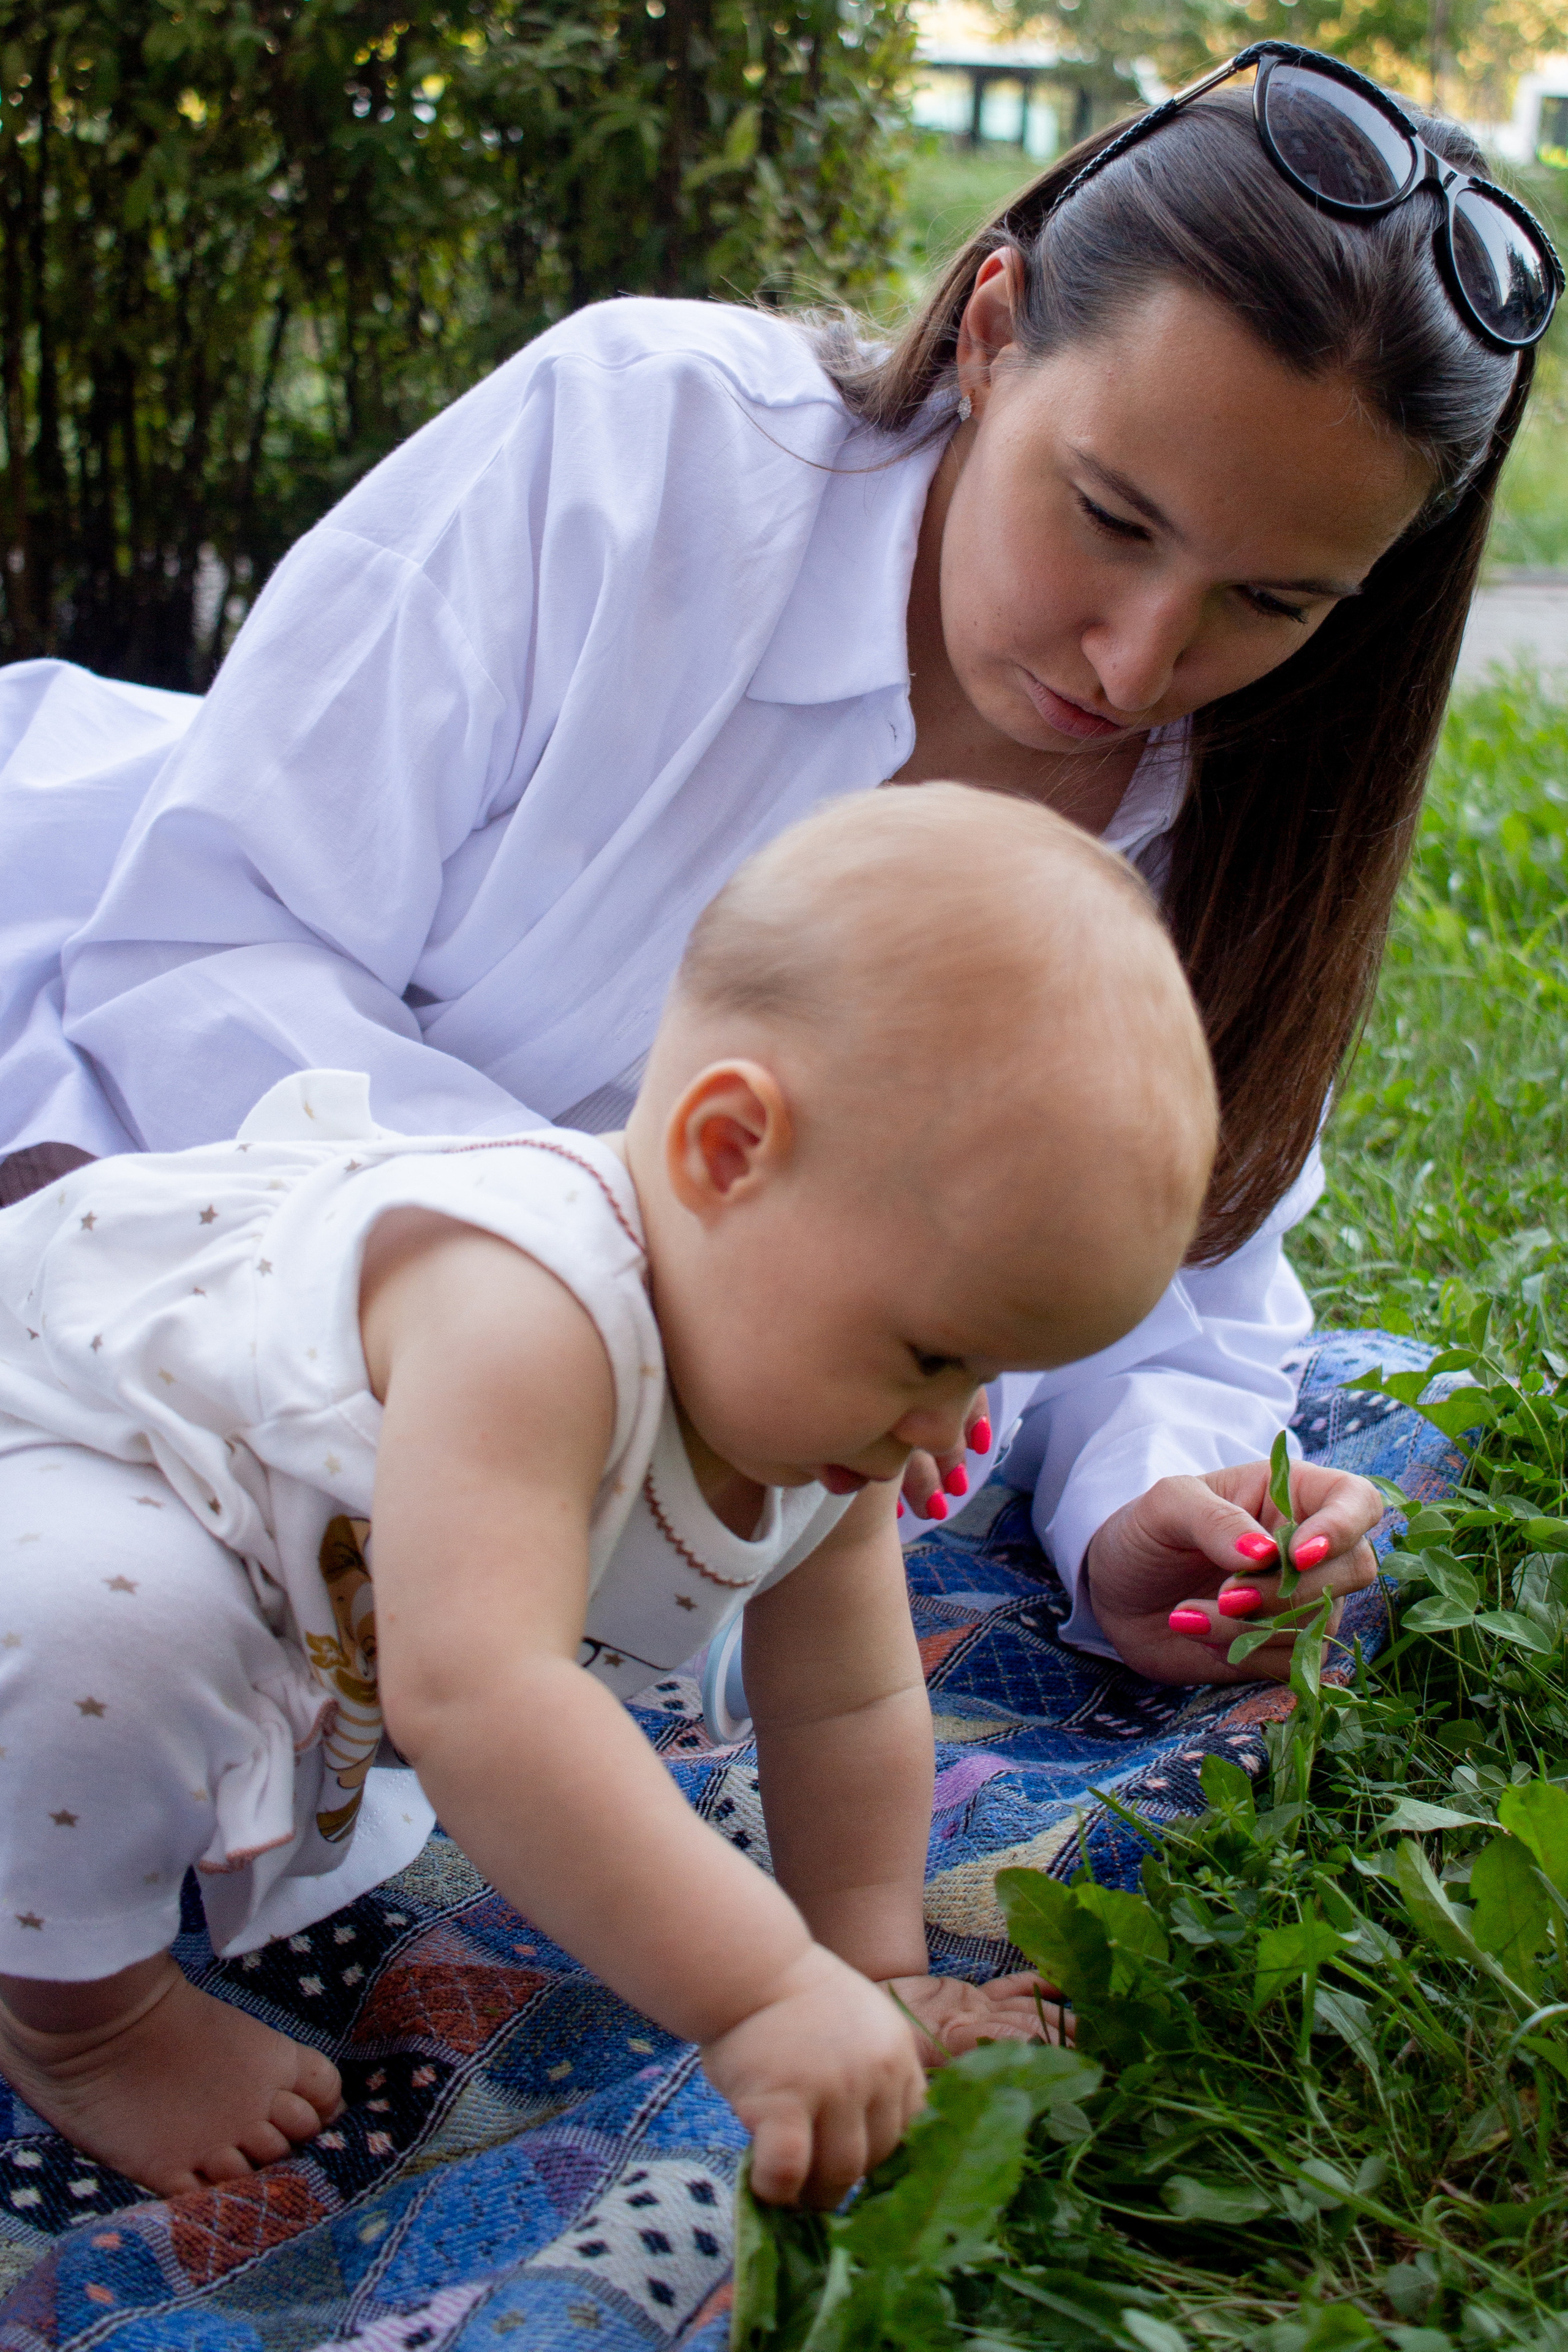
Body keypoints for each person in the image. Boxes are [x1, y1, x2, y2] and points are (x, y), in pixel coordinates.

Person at [0, 47, 1553, 1683]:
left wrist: (1144, 1506)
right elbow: (192, 959)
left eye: (1274, 603)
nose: (1138, 657)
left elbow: (1178, 1258)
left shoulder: (1249, 818)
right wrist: (637, 1292)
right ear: (993, 335)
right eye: (1109, 514)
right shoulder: (637, 449)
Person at [0, 788, 1234, 2201]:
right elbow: (477, 1700)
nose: (943, 1429)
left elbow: (847, 1701)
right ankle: (80, 2022)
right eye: (934, 1356)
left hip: (301, 1569)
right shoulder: (522, 1313)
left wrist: (869, 1970)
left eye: (991, 1378)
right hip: (84, 1434)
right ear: (727, 1152)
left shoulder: (824, 1395)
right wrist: (761, 1993)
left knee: (202, 1640)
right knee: (110, 1630)